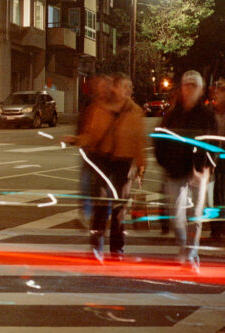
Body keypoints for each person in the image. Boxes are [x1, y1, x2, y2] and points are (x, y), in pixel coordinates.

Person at [65, 74, 147, 260]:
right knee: (100, 204)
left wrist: (141, 167)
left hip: (124, 162)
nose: (128, 91)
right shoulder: (99, 109)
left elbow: (139, 142)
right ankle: (96, 245)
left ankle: (117, 249)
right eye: (125, 87)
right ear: (115, 89)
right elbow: (91, 135)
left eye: (130, 87)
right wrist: (76, 140)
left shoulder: (135, 112)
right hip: (103, 160)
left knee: (119, 208)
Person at [154, 70, 217, 271]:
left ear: (200, 90)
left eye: (193, 86)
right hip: (175, 170)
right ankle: (185, 246)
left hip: (198, 172)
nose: (189, 89)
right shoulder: (172, 114)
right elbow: (160, 139)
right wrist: (163, 161)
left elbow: (214, 143)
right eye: (186, 85)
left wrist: (207, 164)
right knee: (177, 216)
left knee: (194, 215)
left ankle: (190, 253)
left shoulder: (207, 115)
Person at [75, 74, 112, 227]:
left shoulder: (113, 106)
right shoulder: (90, 104)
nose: (101, 89)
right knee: (85, 183)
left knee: (107, 186)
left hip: (107, 153)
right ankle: (87, 212)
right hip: (90, 151)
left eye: (104, 86)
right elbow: (82, 123)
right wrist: (78, 138)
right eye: (99, 86)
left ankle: (107, 214)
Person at [209, 79, 225, 243]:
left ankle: (219, 228)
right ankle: (217, 228)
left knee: (220, 192)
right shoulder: (213, 112)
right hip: (216, 157)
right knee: (216, 193)